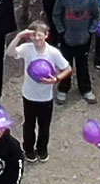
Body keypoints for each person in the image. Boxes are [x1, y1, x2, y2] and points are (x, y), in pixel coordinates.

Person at [13, 25, 69, 162]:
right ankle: (28, 150)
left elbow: (67, 68)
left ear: (46, 35)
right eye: (34, 35)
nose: (37, 38)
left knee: (44, 126)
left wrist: (56, 79)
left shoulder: (53, 52)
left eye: (40, 35)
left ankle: (42, 149)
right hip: (29, 95)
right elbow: (10, 52)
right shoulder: (27, 48)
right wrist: (19, 36)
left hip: (45, 97)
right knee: (29, 125)